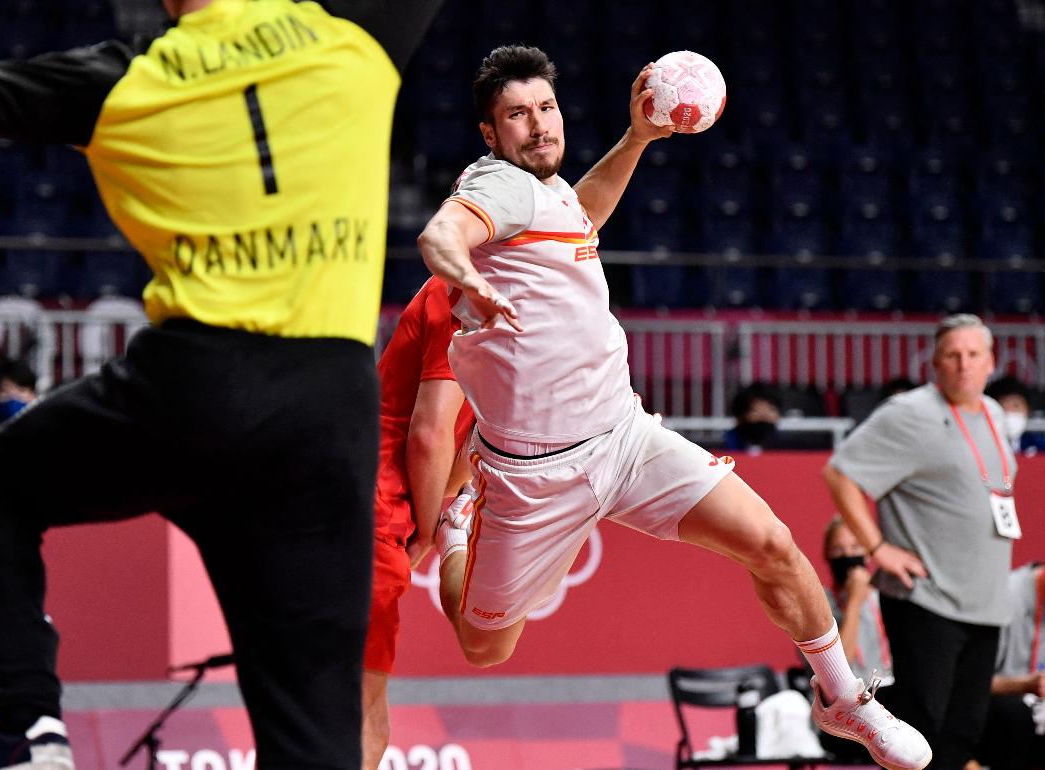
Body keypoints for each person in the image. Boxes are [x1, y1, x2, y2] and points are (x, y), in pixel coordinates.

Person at [0, 1, 444, 767]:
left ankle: (27, 732)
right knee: (314, 738)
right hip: (324, 414)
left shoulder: (125, 81)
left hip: (194, 394)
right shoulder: (352, 39)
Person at [415, 45, 930, 770]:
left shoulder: (548, 195)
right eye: (517, 115)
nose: (538, 125)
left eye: (546, 108)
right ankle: (456, 530)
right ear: (489, 133)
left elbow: (583, 216)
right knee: (484, 646)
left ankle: (844, 698)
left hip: (625, 438)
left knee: (773, 544)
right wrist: (464, 273)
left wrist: (638, 138)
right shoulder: (496, 186)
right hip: (535, 478)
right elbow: (442, 233)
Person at [824, 313, 1017, 770]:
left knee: (964, 730)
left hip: (984, 603)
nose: (964, 365)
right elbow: (839, 473)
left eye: (973, 354)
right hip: (927, 598)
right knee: (920, 731)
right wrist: (877, 548)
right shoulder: (909, 413)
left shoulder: (993, 413)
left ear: (991, 362)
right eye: (952, 355)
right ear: (935, 362)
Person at [362, 276, 475, 769]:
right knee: (359, 717)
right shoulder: (468, 292)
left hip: (361, 507)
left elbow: (458, 451)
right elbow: (429, 435)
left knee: (339, 711)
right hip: (369, 512)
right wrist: (430, 533)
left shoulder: (511, 303)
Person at [811, 516, 894, 763]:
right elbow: (839, 664)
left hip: (890, 699)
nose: (847, 556)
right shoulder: (821, 603)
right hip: (843, 711)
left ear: (868, 554)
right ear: (827, 555)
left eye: (855, 548)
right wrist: (854, 601)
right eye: (838, 550)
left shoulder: (887, 598)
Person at [971, 562, 1045, 770]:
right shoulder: (1006, 595)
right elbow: (970, 683)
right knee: (1014, 714)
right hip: (993, 713)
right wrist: (1025, 685)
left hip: (1036, 715)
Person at [986, 375, 1045, 456]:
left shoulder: (1039, 446)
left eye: (1016, 406)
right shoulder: (983, 444)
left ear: (1028, 410)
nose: (1010, 412)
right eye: (1002, 407)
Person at [724, 382, 783, 453]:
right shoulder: (722, 447)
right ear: (740, 416)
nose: (764, 416)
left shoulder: (787, 447)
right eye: (756, 411)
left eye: (771, 410)